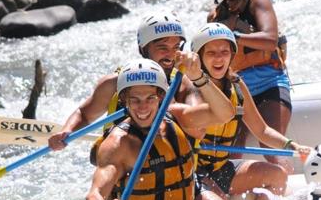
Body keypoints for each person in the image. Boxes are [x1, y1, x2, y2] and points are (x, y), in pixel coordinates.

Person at [86, 57, 244, 200]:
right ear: (124, 99)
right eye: (135, 99)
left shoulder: (177, 117)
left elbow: (225, 113)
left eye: (150, 98)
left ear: (161, 96)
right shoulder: (119, 144)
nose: (143, 107)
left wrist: (198, 76)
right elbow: (94, 196)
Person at [190, 22, 312, 200]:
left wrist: (293, 146)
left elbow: (262, 130)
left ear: (232, 55)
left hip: (221, 167)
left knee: (278, 175)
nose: (219, 58)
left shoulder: (237, 85)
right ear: (199, 56)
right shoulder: (189, 87)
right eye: (211, 53)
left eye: (224, 52)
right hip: (195, 171)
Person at [48, 13, 208, 151]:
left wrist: (166, 98)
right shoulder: (114, 83)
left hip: (171, 170)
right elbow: (84, 114)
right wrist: (67, 131)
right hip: (122, 166)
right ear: (144, 49)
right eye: (163, 48)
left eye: (176, 47)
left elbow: (199, 130)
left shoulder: (183, 82)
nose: (171, 55)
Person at [205, 0, 292, 162]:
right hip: (236, 90)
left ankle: (284, 178)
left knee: (271, 148)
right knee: (230, 154)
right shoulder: (214, 16)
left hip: (270, 84)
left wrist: (233, 36)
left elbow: (270, 39)